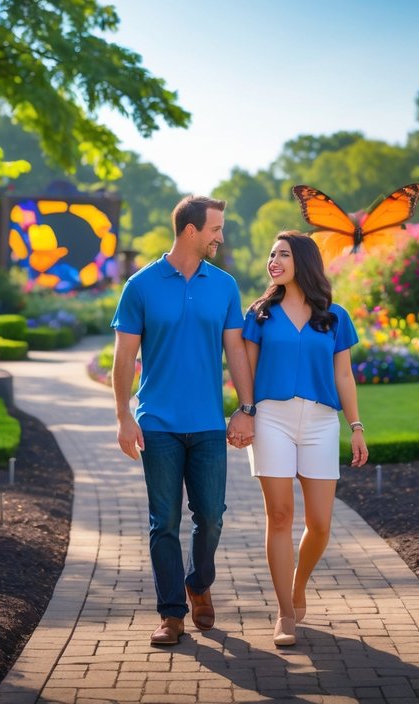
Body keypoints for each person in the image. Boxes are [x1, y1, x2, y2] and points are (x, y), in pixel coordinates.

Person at [111, 195, 257, 647]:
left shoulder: (225, 286)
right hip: (157, 423)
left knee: (211, 516)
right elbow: (124, 358)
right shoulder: (141, 285)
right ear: (190, 230)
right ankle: (171, 613)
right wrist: (122, 417)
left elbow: (235, 350)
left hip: (209, 423)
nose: (221, 236)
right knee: (164, 522)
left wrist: (246, 409)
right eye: (215, 228)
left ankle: (199, 582)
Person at [242, 230, 368, 647]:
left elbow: (344, 376)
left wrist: (356, 426)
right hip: (272, 418)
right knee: (279, 517)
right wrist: (244, 413)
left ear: (305, 262)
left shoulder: (334, 316)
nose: (273, 261)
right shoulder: (259, 314)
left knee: (320, 524)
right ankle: (284, 613)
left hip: (320, 423)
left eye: (283, 254)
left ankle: (299, 584)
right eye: (271, 254)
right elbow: (247, 374)